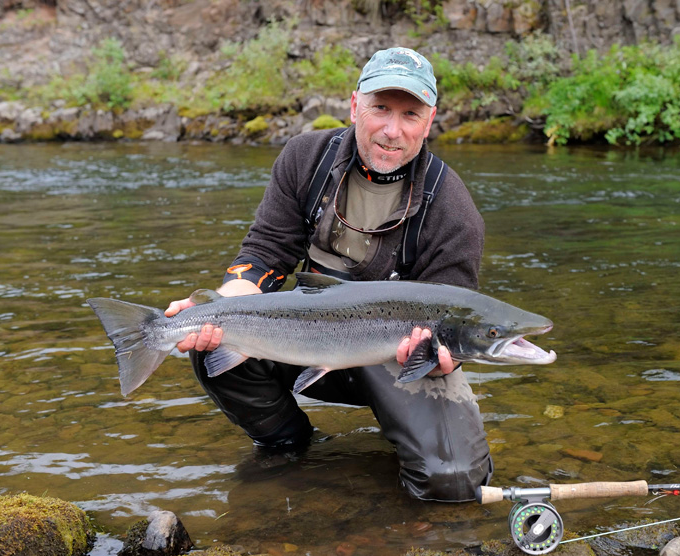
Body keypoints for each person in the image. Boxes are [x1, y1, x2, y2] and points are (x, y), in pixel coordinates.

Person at [166, 47, 492, 502]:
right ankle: (290, 449)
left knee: (452, 483)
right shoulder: (306, 158)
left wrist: (447, 357)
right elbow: (264, 255)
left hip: (397, 360)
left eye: (410, 114)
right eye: (381, 108)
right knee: (216, 339)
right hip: (307, 339)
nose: (392, 131)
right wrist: (218, 308)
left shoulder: (452, 209)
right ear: (355, 104)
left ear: (430, 120)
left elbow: (456, 316)